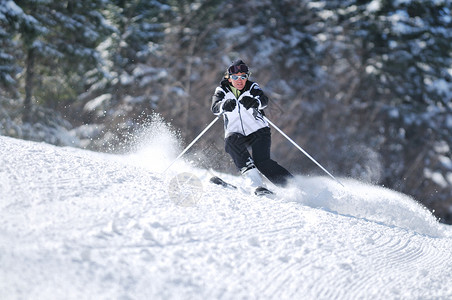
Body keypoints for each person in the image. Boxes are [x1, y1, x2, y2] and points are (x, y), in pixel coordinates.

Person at [211, 59, 293, 195]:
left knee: (262, 162)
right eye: (235, 77)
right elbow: (215, 107)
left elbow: (263, 100)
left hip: (258, 131)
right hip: (235, 131)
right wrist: (223, 105)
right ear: (229, 78)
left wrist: (255, 102)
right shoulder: (222, 90)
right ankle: (256, 184)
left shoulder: (251, 87)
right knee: (231, 142)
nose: (239, 80)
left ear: (247, 77)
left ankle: (292, 186)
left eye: (243, 77)